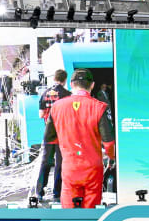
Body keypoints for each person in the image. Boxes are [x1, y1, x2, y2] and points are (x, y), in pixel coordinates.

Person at [44, 69, 116, 208]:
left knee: (69, 214)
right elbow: (109, 142)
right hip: (93, 169)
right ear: (92, 85)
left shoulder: (57, 107)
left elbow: (49, 138)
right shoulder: (100, 107)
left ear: (71, 84)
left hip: (70, 167)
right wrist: (111, 158)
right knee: (90, 213)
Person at [34, 69, 69, 202]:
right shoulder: (67, 94)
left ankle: (39, 192)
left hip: (48, 133)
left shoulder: (45, 94)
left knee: (45, 163)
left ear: (54, 78)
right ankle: (57, 193)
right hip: (62, 134)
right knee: (60, 164)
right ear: (65, 80)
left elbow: (41, 115)